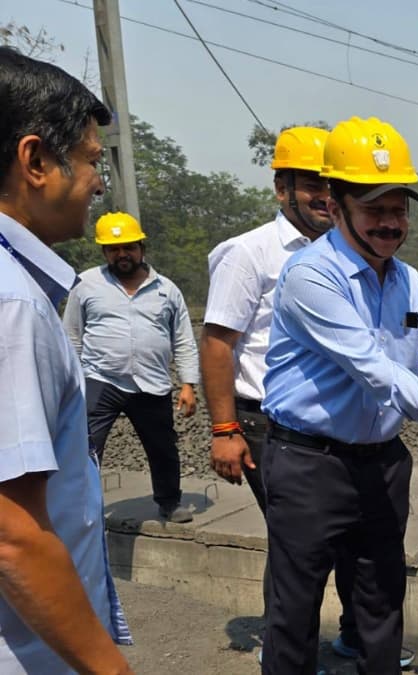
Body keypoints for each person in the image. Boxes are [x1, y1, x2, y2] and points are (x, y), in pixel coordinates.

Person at [260, 116, 418, 675]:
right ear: (336, 207)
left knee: (382, 600)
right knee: (295, 610)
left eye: (399, 209)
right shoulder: (311, 277)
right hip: (310, 465)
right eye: (374, 209)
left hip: (382, 464)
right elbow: (380, 374)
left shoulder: (408, 280)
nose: (390, 223)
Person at [200, 126, 413, 668]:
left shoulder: (364, 256)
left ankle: (353, 638)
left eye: (329, 182)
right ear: (281, 188)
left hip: (351, 426)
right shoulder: (250, 254)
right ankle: (293, 651)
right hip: (271, 423)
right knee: (299, 560)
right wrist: (224, 428)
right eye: (310, 182)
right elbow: (219, 342)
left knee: (360, 558)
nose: (322, 194)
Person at [0, 45, 133, 674]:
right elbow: (12, 535)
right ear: (35, 161)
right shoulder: (13, 304)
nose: (99, 182)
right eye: (88, 159)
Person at [64, 211, 200, 523]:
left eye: (129, 247)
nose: (122, 255)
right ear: (104, 252)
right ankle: (80, 505)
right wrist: (74, 381)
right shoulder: (85, 284)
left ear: (141, 247)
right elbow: (72, 335)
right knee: (85, 446)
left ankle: (169, 501)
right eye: (114, 249)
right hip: (100, 378)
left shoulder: (166, 290)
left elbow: (183, 339)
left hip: (151, 383)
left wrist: (189, 383)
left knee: (162, 446)